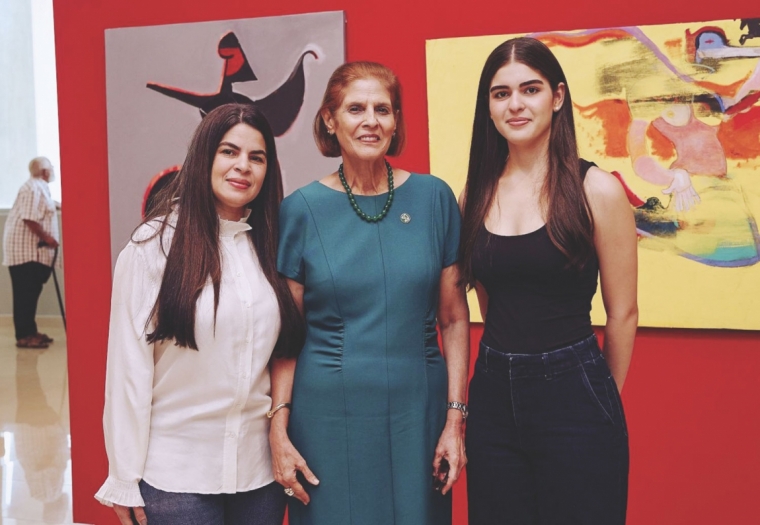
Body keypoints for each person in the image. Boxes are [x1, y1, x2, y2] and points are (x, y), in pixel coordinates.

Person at [271, 61, 470, 525]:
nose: (371, 121)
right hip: (325, 417)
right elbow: (287, 335)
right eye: (355, 109)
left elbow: (454, 318)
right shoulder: (299, 210)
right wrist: (278, 427)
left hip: (419, 411)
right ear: (329, 119)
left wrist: (455, 418)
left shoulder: (434, 198)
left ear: (396, 121)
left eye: (383, 109)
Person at [94, 103, 303, 525]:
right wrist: (123, 476)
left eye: (257, 157)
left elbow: (285, 351)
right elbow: (128, 371)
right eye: (229, 151)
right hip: (176, 474)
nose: (242, 166)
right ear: (203, 157)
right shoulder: (153, 246)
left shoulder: (270, 247)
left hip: (258, 474)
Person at [459, 38, 638, 524]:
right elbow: (491, 302)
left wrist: (600, 400)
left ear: (557, 97)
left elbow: (623, 313)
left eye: (530, 89)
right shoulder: (474, 194)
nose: (515, 104)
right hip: (492, 394)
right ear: (488, 107)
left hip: (575, 394)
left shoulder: (596, 189)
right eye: (500, 94)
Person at [2, 157, 60, 349]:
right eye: (51, 167)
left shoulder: (39, 188)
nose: (52, 170)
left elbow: (43, 207)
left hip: (31, 253)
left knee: (30, 293)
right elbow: (29, 218)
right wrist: (47, 238)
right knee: (25, 294)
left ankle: (30, 331)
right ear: (44, 171)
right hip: (25, 253)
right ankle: (24, 335)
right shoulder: (33, 188)